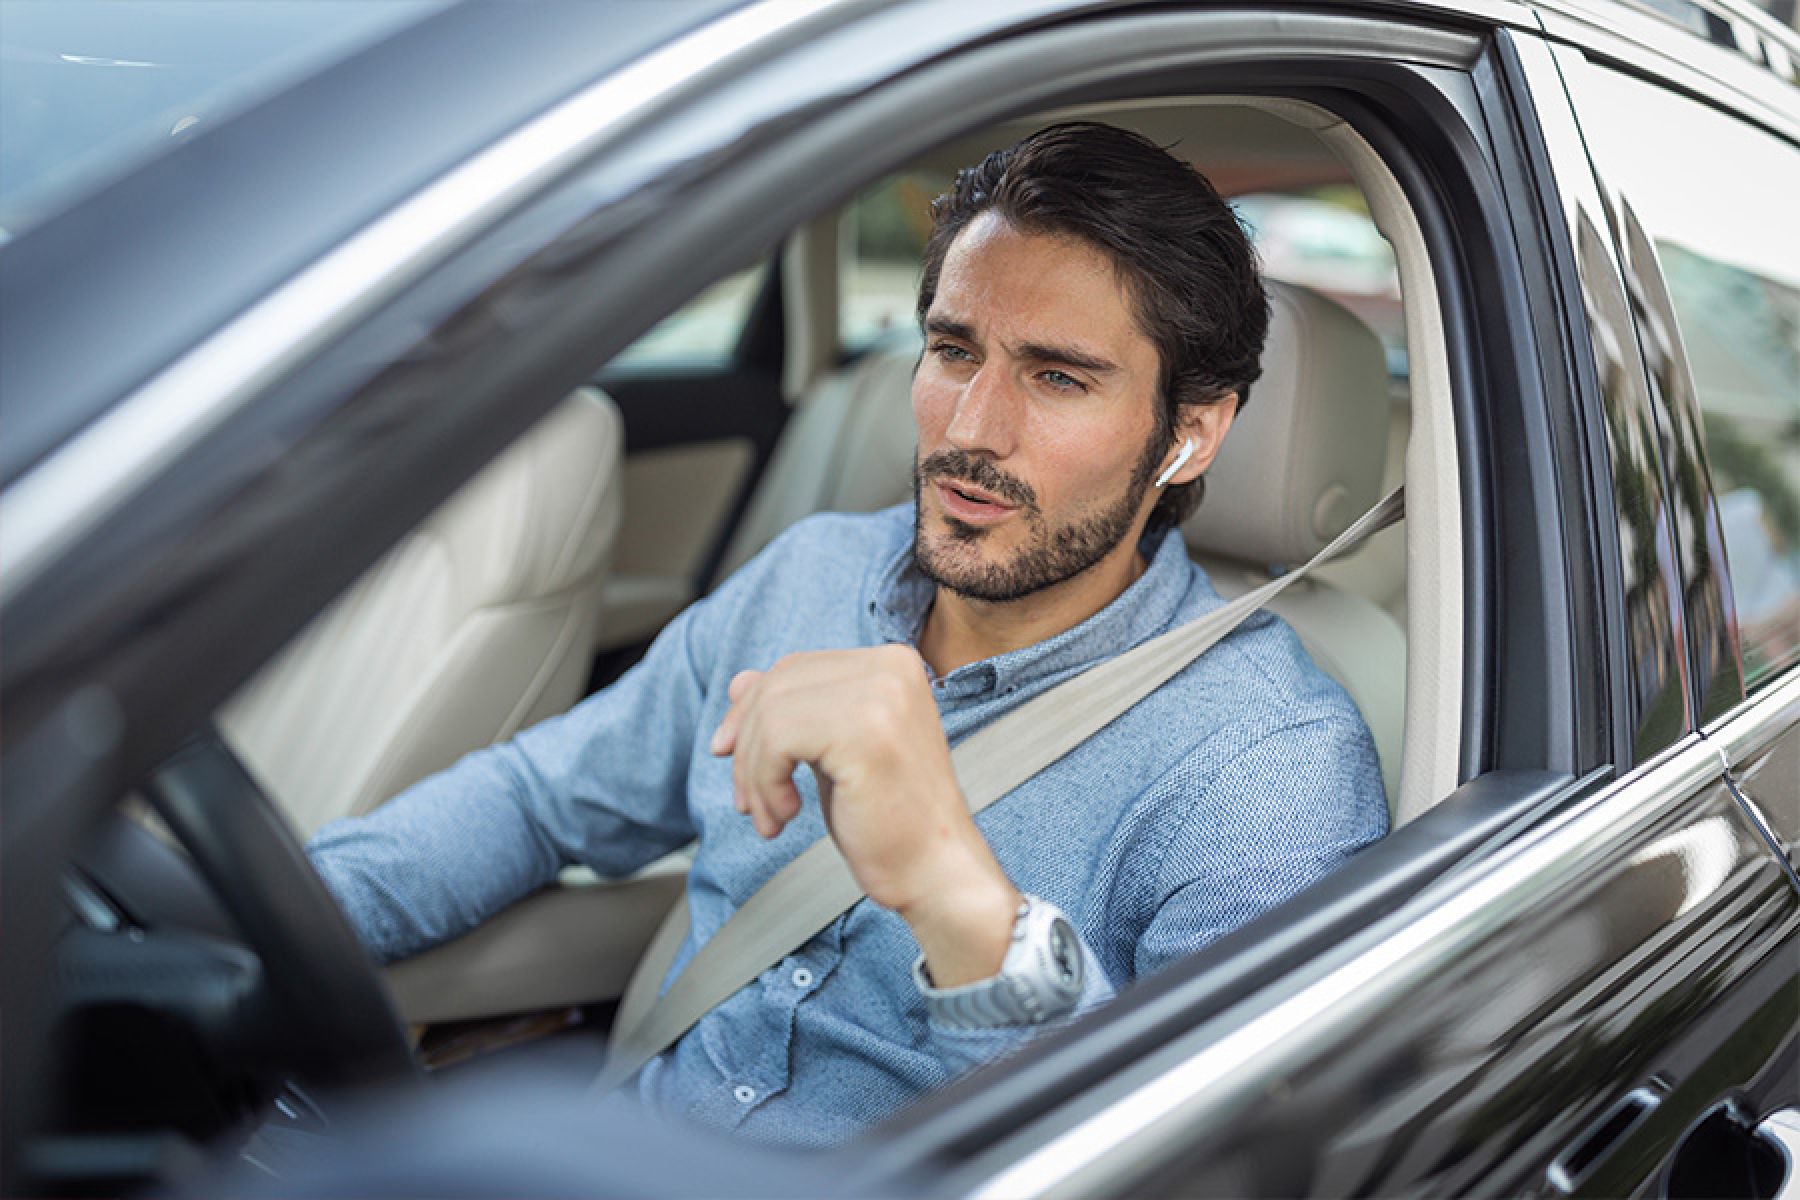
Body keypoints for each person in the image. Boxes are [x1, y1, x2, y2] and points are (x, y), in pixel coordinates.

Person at [307, 122, 1387, 1147]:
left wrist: (955, 894)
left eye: (1058, 377)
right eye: (954, 351)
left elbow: (1215, 1157)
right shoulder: (813, 572)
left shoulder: (1269, 765)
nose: (970, 431)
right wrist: (274, 929)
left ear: (1190, 435)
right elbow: (538, 799)